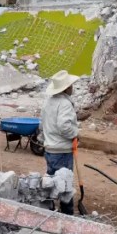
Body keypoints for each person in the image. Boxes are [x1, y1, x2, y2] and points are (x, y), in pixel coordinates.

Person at [40, 70, 80, 215]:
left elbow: (42, 123)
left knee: (51, 181)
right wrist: (75, 134)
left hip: (50, 148)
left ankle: (48, 210)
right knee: (65, 185)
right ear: (66, 87)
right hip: (62, 150)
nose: (72, 87)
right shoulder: (64, 103)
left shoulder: (48, 101)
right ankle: (66, 215)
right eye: (71, 85)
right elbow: (64, 126)